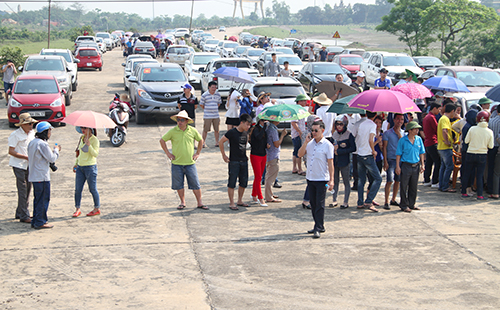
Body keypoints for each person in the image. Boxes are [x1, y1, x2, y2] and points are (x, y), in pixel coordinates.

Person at [160, 111, 207, 210]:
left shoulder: (192, 130)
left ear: (186, 121)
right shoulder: (173, 131)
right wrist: (168, 153)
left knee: (195, 184)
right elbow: (162, 140)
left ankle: (199, 202)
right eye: (178, 120)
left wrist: (197, 153)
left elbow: (200, 140)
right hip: (176, 163)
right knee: (179, 184)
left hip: (190, 163)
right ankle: (182, 202)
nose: (179, 122)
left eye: (182, 120)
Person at [298, 120, 334, 239]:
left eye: (316, 130)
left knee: (320, 204)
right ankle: (319, 225)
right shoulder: (310, 143)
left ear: (322, 131)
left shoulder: (327, 145)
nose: (313, 132)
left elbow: (330, 163)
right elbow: (300, 154)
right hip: (311, 178)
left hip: (322, 178)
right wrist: (305, 143)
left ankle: (318, 227)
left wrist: (331, 180)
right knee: (313, 203)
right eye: (312, 130)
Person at [28, 122, 60, 229]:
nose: (50, 133)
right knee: (43, 199)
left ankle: (36, 220)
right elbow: (52, 158)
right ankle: (40, 221)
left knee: (38, 199)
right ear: (45, 132)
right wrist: (56, 150)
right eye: (49, 131)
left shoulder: (32, 142)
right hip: (42, 176)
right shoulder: (42, 144)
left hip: (34, 175)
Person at [219, 114, 253, 210]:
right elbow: (221, 142)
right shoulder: (232, 132)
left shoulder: (245, 133)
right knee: (232, 182)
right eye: (247, 124)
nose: (248, 127)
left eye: (249, 125)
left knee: (243, 182)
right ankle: (231, 202)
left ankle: (240, 200)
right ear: (241, 123)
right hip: (234, 161)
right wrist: (224, 155)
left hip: (243, 161)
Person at [8, 113, 37, 223]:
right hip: (19, 165)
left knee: (28, 188)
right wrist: (25, 156)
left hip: (28, 164)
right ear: (23, 125)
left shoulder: (32, 134)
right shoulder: (15, 135)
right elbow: (11, 151)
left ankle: (20, 211)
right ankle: (24, 215)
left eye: (32, 124)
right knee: (23, 189)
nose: (31, 126)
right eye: (29, 124)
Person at [462, 111, 494, 200]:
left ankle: (464, 192)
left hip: (470, 153)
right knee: (479, 175)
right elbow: (491, 146)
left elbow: (466, 141)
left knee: (467, 173)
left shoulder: (472, 129)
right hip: (482, 155)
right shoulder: (489, 132)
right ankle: (480, 195)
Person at [354, 111, 381, 212]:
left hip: (360, 153)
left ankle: (360, 202)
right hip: (367, 154)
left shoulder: (361, 124)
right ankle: (369, 200)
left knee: (361, 180)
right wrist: (373, 151)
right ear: (374, 115)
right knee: (378, 178)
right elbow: (370, 139)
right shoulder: (372, 125)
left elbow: (359, 138)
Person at [395, 121, 425, 212]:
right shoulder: (403, 140)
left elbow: (421, 152)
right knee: (404, 186)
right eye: (415, 129)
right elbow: (398, 154)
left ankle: (411, 204)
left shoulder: (419, 139)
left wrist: (422, 164)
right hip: (406, 165)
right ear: (410, 130)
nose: (417, 131)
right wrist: (397, 166)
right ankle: (404, 204)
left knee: (413, 186)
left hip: (416, 165)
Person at [72, 126, 101, 217]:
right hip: (80, 167)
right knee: (77, 189)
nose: (83, 130)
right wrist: (76, 163)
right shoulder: (82, 138)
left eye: (85, 128)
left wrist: (89, 145)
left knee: (92, 189)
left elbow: (95, 154)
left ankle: (96, 208)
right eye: (82, 128)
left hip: (90, 167)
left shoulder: (94, 140)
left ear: (90, 129)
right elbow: (80, 152)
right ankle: (77, 208)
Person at [331, 115, 356, 209]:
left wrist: (340, 150)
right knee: (335, 181)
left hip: (345, 162)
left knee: (346, 181)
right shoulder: (334, 135)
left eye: (341, 124)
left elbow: (353, 148)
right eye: (337, 124)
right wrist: (333, 149)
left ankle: (346, 201)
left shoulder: (349, 135)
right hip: (335, 162)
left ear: (345, 124)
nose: (339, 126)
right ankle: (334, 199)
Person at [382, 113, 404, 210]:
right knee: (389, 180)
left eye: (402, 119)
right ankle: (386, 201)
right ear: (394, 120)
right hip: (391, 159)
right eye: (398, 119)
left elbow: (404, 146)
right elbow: (385, 147)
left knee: (397, 180)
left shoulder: (404, 133)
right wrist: (385, 161)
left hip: (400, 161)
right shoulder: (388, 133)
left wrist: (399, 135)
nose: (400, 121)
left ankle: (393, 199)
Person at [265, 120, 287, 203]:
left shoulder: (269, 127)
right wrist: (282, 135)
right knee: (270, 177)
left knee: (269, 175)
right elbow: (277, 144)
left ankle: (269, 193)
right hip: (273, 155)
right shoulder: (273, 130)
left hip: (270, 155)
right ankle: (269, 196)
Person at [437, 103, 457, 193]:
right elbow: (444, 131)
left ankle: (442, 185)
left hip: (441, 146)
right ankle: (445, 186)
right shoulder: (445, 119)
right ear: (452, 111)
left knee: (444, 166)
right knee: (449, 166)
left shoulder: (443, 118)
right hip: (445, 147)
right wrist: (448, 141)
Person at [249, 117, 269, 207]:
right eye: (262, 121)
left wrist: (266, 145)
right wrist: (264, 128)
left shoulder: (264, 130)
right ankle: (260, 198)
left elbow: (263, 141)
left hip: (263, 154)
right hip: (255, 155)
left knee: (259, 176)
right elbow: (258, 138)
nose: (264, 122)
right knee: (258, 177)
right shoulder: (255, 130)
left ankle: (254, 194)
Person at [422, 103, 442, 188]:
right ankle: (435, 181)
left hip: (427, 142)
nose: (439, 111)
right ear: (434, 108)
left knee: (429, 162)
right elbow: (437, 129)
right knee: (438, 162)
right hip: (433, 141)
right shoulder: (431, 117)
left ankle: (427, 179)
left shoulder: (426, 117)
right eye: (439, 109)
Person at [200, 81, 222, 148]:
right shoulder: (204, 95)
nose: (214, 89)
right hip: (207, 115)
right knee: (206, 129)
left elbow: (219, 103)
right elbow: (201, 104)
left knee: (217, 129)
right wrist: (207, 109)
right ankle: (203, 142)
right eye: (212, 87)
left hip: (216, 115)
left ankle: (217, 142)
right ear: (209, 87)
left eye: (215, 87)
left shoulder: (218, 95)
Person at [291, 94, 309, 176]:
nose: (305, 102)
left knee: (295, 151)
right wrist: (300, 132)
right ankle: (299, 169)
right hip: (297, 134)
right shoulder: (296, 110)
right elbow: (294, 123)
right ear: (299, 102)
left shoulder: (301, 109)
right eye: (304, 100)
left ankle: (295, 167)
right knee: (299, 151)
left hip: (298, 133)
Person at [487, 102, 500, 194]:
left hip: (492, 147)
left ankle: (491, 188)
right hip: (498, 147)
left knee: (491, 168)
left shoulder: (491, 121)